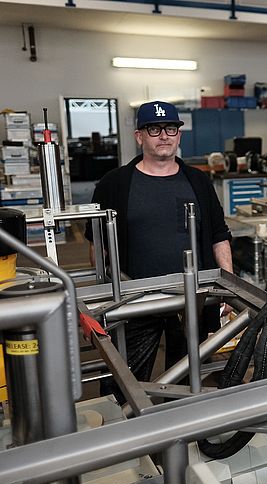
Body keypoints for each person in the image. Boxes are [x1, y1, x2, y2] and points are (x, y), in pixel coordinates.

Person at [85, 100, 233, 398]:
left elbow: (219, 235)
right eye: (154, 129)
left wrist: (228, 285)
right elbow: (98, 247)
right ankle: (124, 424)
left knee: (187, 380)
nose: (164, 135)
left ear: (179, 135)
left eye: (170, 128)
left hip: (192, 299)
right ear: (139, 136)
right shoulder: (114, 184)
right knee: (124, 382)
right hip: (133, 301)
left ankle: (179, 424)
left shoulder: (198, 181)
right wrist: (103, 297)